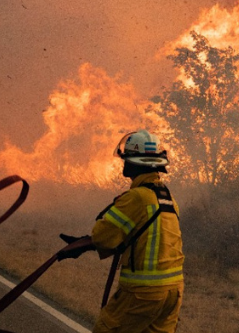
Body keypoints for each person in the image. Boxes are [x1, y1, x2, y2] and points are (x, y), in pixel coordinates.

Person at [59, 129, 185, 333]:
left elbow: (103, 238)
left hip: (142, 294)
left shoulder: (136, 198)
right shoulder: (167, 198)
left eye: (127, 158)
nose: (124, 163)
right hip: (173, 291)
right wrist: (86, 245)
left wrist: (88, 242)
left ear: (136, 162)